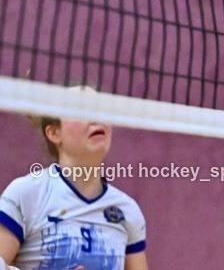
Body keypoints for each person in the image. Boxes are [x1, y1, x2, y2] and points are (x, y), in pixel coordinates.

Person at [0, 89, 148, 270]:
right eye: (81, 109)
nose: (96, 118)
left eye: (101, 109)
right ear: (54, 133)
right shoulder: (27, 193)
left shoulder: (126, 209)